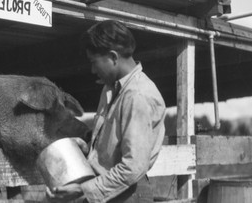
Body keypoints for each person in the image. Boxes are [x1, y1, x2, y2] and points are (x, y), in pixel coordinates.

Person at [47, 20, 166, 202]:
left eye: (94, 62)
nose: (93, 70)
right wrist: (87, 146)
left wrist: (81, 190)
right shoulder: (111, 89)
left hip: (128, 194)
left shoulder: (137, 96)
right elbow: (111, 144)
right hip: (110, 191)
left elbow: (133, 167)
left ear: (113, 57)